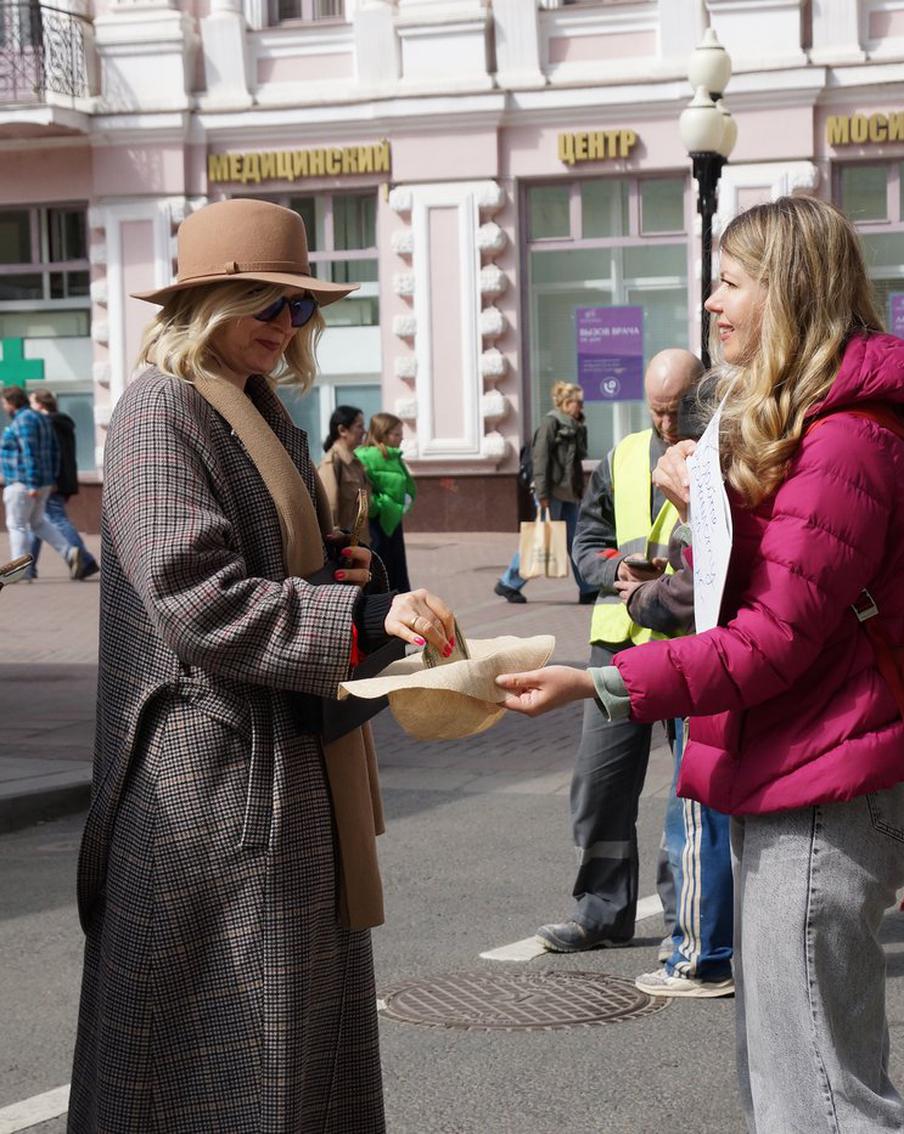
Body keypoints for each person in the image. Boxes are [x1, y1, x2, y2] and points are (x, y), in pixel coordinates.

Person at [498, 196, 904, 1131]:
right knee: (787, 1077)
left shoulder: (846, 437)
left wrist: (598, 683)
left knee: (821, 1098)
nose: (712, 303)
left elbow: (772, 639)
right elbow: (782, 593)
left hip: (823, 787)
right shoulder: (815, 423)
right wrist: (706, 501)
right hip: (802, 771)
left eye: (731, 282)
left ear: (790, 293)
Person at [68, 197, 456, 1133]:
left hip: (273, 778)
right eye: (269, 307)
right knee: (215, 1066)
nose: (289, 330)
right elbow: (198, 598)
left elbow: (249, 565)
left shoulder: (251, 407)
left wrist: (332, 565)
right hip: (210, 793)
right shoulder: (160, 410)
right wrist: (357, 610)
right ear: (209, 302)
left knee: (281, 1059)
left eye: (301, 311)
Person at [533, 350, 701, 953]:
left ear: (701, 395)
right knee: (599, 788)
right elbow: (588, 545)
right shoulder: (623, 455)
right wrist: (615, 570)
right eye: (657, 412)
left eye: (677, 411)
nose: (666, 425)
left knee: (694, 794)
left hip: (690, 646)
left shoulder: (724, 454)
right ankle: (600, 916)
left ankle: (690, 931)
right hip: (619, 644)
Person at [614, 384, 734, 1000]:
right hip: (728, 670)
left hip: (705, 674)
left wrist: (639, 596)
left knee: (696, 818)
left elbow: (699, 584)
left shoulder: (713, 481)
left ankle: (698, 958)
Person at [494, 381, 596, 605]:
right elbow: (540, 461)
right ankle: (509, 583)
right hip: (551, 492)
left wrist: (581, 427)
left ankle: (588, 588)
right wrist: (542, 494)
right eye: (578, 402)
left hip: (569, 492)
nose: (582, 406)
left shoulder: (575, 425)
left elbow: (581, 455)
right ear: (566, 402)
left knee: (576, 541)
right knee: (540, 540)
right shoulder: (550, 424)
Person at [1, 385, 82, 581]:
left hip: (23, 483)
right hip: (42, 482)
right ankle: (69, 552)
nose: (4, 407)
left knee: (17, 525)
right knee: (37, 523)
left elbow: (29, 452)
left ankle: (17, 572)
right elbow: (55, 451)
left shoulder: (23, 420)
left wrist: (32, 483)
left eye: (4, 403)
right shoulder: (42, 419)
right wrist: (50, 479)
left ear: (12, 403)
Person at [28, 388, 99, 581]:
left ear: (40, 404)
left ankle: (84, 560)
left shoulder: (48, 424)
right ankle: (27, 568)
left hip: (52, 482)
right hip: (63, 479)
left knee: (55, 519)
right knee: (36, 523)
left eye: (32, 403)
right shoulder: (62, 422)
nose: (30, 407)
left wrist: (51, 480)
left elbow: (52, 455)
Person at [356, 411, 415, 592]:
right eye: (396, 434)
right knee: (380, 568)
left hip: (393, 519)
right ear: (382, 434)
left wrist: (406, 499)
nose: (401, 438)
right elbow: (364, 489)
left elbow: (406, 483)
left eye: (401, 434)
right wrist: (381, 506)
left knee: (396, 569)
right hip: (377, 522)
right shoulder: (365, 456)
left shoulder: (394, 455)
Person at [318, 404, 373, 532]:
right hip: (343, 544)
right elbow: (329, 508)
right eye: (359, 426)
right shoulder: (332, 463)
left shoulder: (356, 462)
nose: (364, 431)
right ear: (342, 430)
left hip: (359, 540)